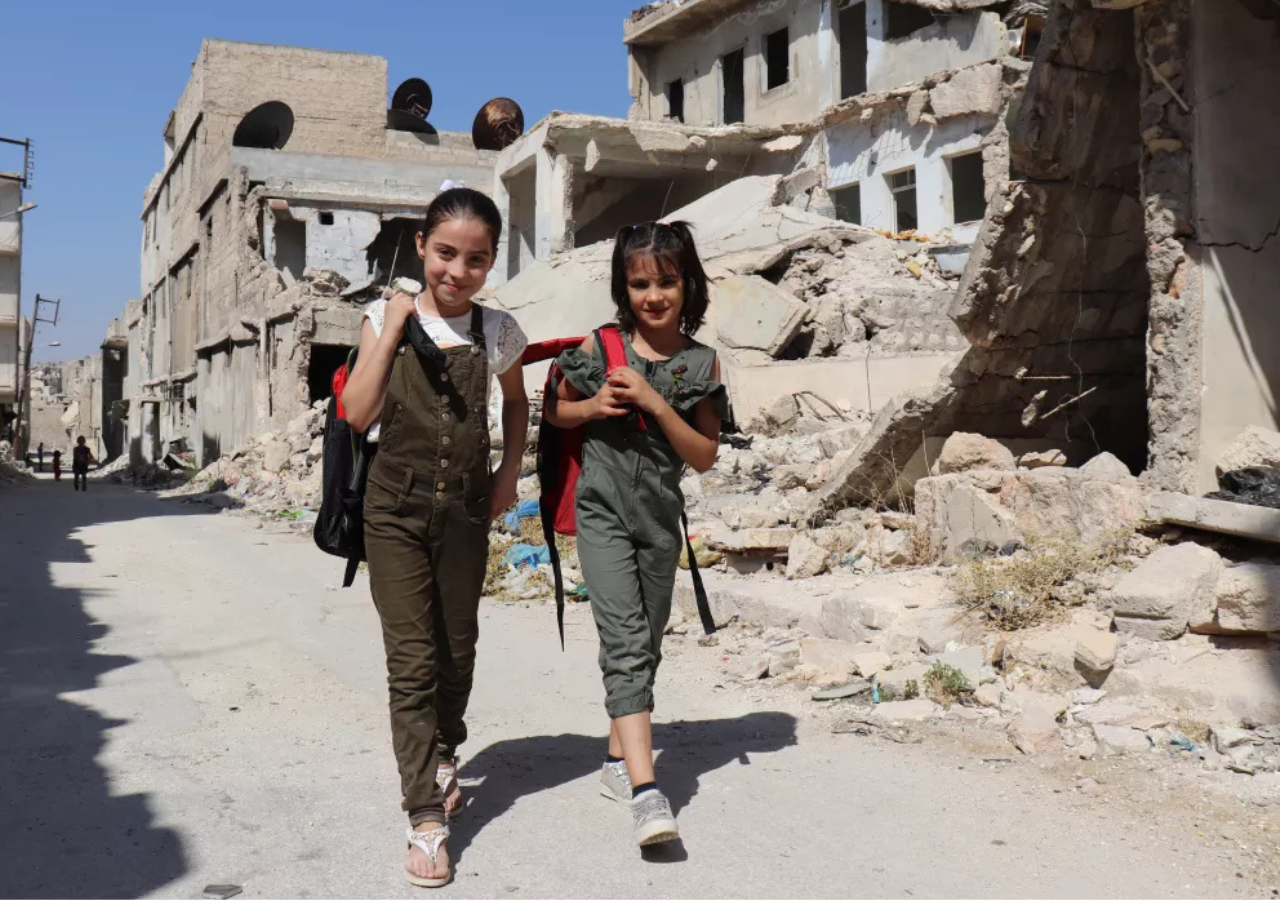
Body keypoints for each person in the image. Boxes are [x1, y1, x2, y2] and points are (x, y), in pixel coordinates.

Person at [341, 187, 528, 888]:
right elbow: (357, 414)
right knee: (412, 662)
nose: (458, 270)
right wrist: (393, 326)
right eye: (446, 253)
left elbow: (514, 400)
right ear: (421, 246)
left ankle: (446, 751)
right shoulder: (378, 318)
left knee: (458, 648)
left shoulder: (497, 331)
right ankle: (426, 819)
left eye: (476, 259)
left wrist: (509, 470)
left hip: (467, 512)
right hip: (393, 510)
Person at [545, 221, 724, 847]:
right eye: (639, 282)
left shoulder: (701, 363)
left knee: (645, 644)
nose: (653, 295)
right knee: (623, 643)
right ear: (624, 287)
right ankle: (648, 796)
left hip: (659, 523)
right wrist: (593, 408)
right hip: (602, 516)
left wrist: (653, 400)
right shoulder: (600, 347)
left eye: (666, 282)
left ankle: (617, 764)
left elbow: (703, 455)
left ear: (687, 283)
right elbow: (555, 409)